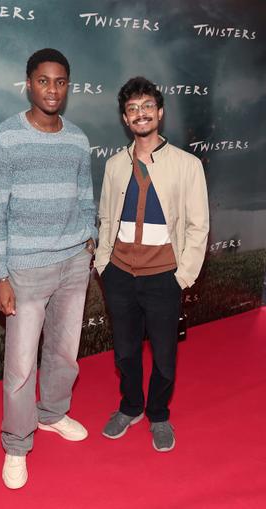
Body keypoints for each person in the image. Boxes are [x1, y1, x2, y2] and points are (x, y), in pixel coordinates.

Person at [0, 48, 96, 489]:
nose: (52, 89)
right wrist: (1, 275)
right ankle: (16, 443)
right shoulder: (5, 137)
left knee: (65, 353)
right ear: (29, 83)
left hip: (73, 262)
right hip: (25, 269)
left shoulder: (78, 138)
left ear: (68, 86)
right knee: (22, 365)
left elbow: (85, 193)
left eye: (60, 81)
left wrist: (91, 237)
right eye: (44, 80)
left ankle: (52, 415)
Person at [94, 77, 209, 452]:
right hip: (120, 274)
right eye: (132, 109)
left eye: (147, 106)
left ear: (159, 113)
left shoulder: (187, 165)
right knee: (125, 351)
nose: (140, 114)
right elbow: (106, 219)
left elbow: (197, 225)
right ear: (125, 119)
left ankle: (158, 414)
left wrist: (184, 275)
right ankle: (131, 407)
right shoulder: (114, 165)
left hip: (164, 276)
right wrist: (103, 263)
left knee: (164, 353)